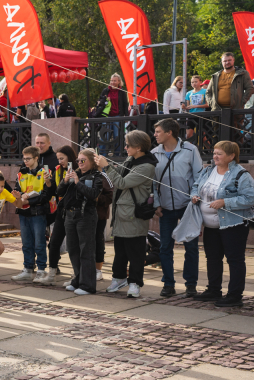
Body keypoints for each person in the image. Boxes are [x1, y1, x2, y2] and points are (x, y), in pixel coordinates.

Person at [190, 141, 254, 307]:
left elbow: (250, 198)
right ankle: (213, 290)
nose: (215, 156)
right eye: (214, 153)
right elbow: (196, 186)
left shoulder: (241, 174)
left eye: (219, 154)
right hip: (210, 226)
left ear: (231, 156)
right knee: (212, 258)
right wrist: (194, 195)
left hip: (233, 225)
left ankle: (234, 295)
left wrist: (225, 202)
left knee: (234, 259)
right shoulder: (208, 170)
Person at [96, 130, 157, 298]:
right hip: (121, 213)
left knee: (135, 253)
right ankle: (119, 278)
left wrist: (107, 166)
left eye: (128, 145)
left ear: (138, 147)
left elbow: (122, 183)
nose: (125, 148)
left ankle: (135, 283)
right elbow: (119, 174)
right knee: (120, 251)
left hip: (133, 215)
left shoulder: (146, 166)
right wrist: (107, 165)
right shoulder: (131, 160)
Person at [151, 118, 202, 298]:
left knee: (191, 247)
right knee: (165, 247)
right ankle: (168, 284)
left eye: (158, 131)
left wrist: (194, 197)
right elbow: (152, 183)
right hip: (165, 209)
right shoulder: (154, 153)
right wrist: (156, 204)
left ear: (169, 133)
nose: (155, 135)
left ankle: (191, 285)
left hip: (188, 206)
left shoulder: (190, 150)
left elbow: (199, 177)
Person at [57, 149, 104, 295]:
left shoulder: (96, 176)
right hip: (70, 214)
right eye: (78, 160)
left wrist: (77, 182)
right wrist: (65, 181)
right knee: (73, 249)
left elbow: (93, 194)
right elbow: (59, 192)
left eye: (83, 160)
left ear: (91, 161)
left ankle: (87, 286)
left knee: (86, 250)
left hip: (85, 215)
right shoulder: (74, 172)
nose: (79, 163)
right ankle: (77, 280)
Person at [12, 146, 55, 282]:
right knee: (26, 243)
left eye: (28, 159)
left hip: (38, 212)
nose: (25, 161)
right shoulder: (21, 173)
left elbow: (47, 195)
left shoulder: (45, 172)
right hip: (24, 212)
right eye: (24, 158)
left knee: (39, 242)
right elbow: (17, 188)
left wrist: (28, 200)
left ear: (36, 158)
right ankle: (28, 268)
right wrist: (19, 195)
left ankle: (41, 270)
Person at [45, 146, 77, 282]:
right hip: (61, 211)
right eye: (58, 159)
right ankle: (51, 273)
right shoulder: (58, 171)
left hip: (75, 212)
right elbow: (55, 191)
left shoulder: (78, 170)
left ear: (70, 157)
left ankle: (76, 274)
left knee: (73, 244)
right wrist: (48, 182)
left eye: (62, 158)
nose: (60, 161)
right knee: (54, 243)